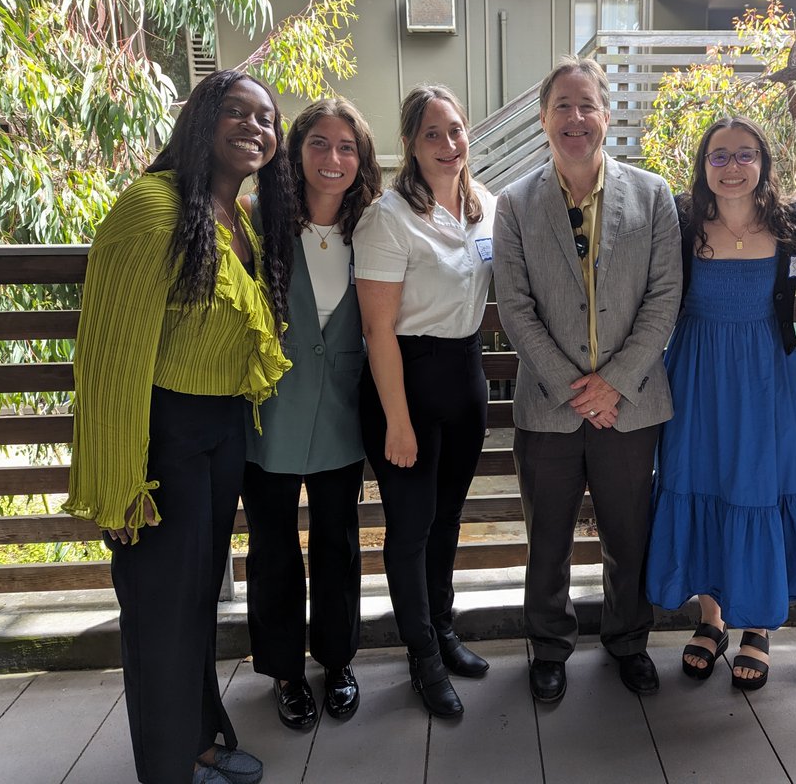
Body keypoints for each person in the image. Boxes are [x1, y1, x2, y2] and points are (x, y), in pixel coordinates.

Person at [65, 70, 298, 784]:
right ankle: (169, 770)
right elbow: (110, 357)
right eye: (238, 112)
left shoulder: (241, 217)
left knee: (196, 599)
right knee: (161, 611)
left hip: (221, 430)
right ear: (201, 120)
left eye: (267, 120)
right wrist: (120, 484)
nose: (256, 128)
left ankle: (198, 742)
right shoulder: (151, 207)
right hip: (162, 434)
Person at [493, 56, 681, 704]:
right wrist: (578, 389)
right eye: (562, 106)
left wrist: (615, 384)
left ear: (607, 114)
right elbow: (514, 308)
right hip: (548, 410)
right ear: (545, 118)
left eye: (587, 104)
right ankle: (549, 646)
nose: (576, 118)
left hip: (629, 410)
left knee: (630, 538)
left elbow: (664, 299)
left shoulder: (653, 196)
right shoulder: (516, 204)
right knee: (547, 541)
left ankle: (628, 640)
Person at [645, 116, 796, 691]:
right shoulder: (680, 223)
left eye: (744, 155)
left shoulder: (793, 224)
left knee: (758, 488)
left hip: (766, 380)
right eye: (719, 156)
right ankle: (711, 619)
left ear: (764, 163)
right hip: (697, 376)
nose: (732, 167)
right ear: (704, 166)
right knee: (702, 482)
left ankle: (757, 627)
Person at [352, 84, 496, 719]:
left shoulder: (481, 205)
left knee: (447, 519)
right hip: (404, 378)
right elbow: (377, 329)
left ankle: (443, 628)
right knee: (409, 529)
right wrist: (398, 421)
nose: (449, 144)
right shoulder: (387, 217)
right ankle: (421, 657)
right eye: (432, 133)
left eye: (457, 130)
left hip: (466, 375)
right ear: (409, 142)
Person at [240, 98, 380, 730]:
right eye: (320, 144)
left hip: (343, 410)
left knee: (338, 542)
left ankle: (337, 659)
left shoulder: (375, 227)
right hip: (267, 413)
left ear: (362, 159)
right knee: (272, 547)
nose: (333, 158)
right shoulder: (258, 221)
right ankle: (284, 671)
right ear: (295, 152)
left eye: (347, 147)